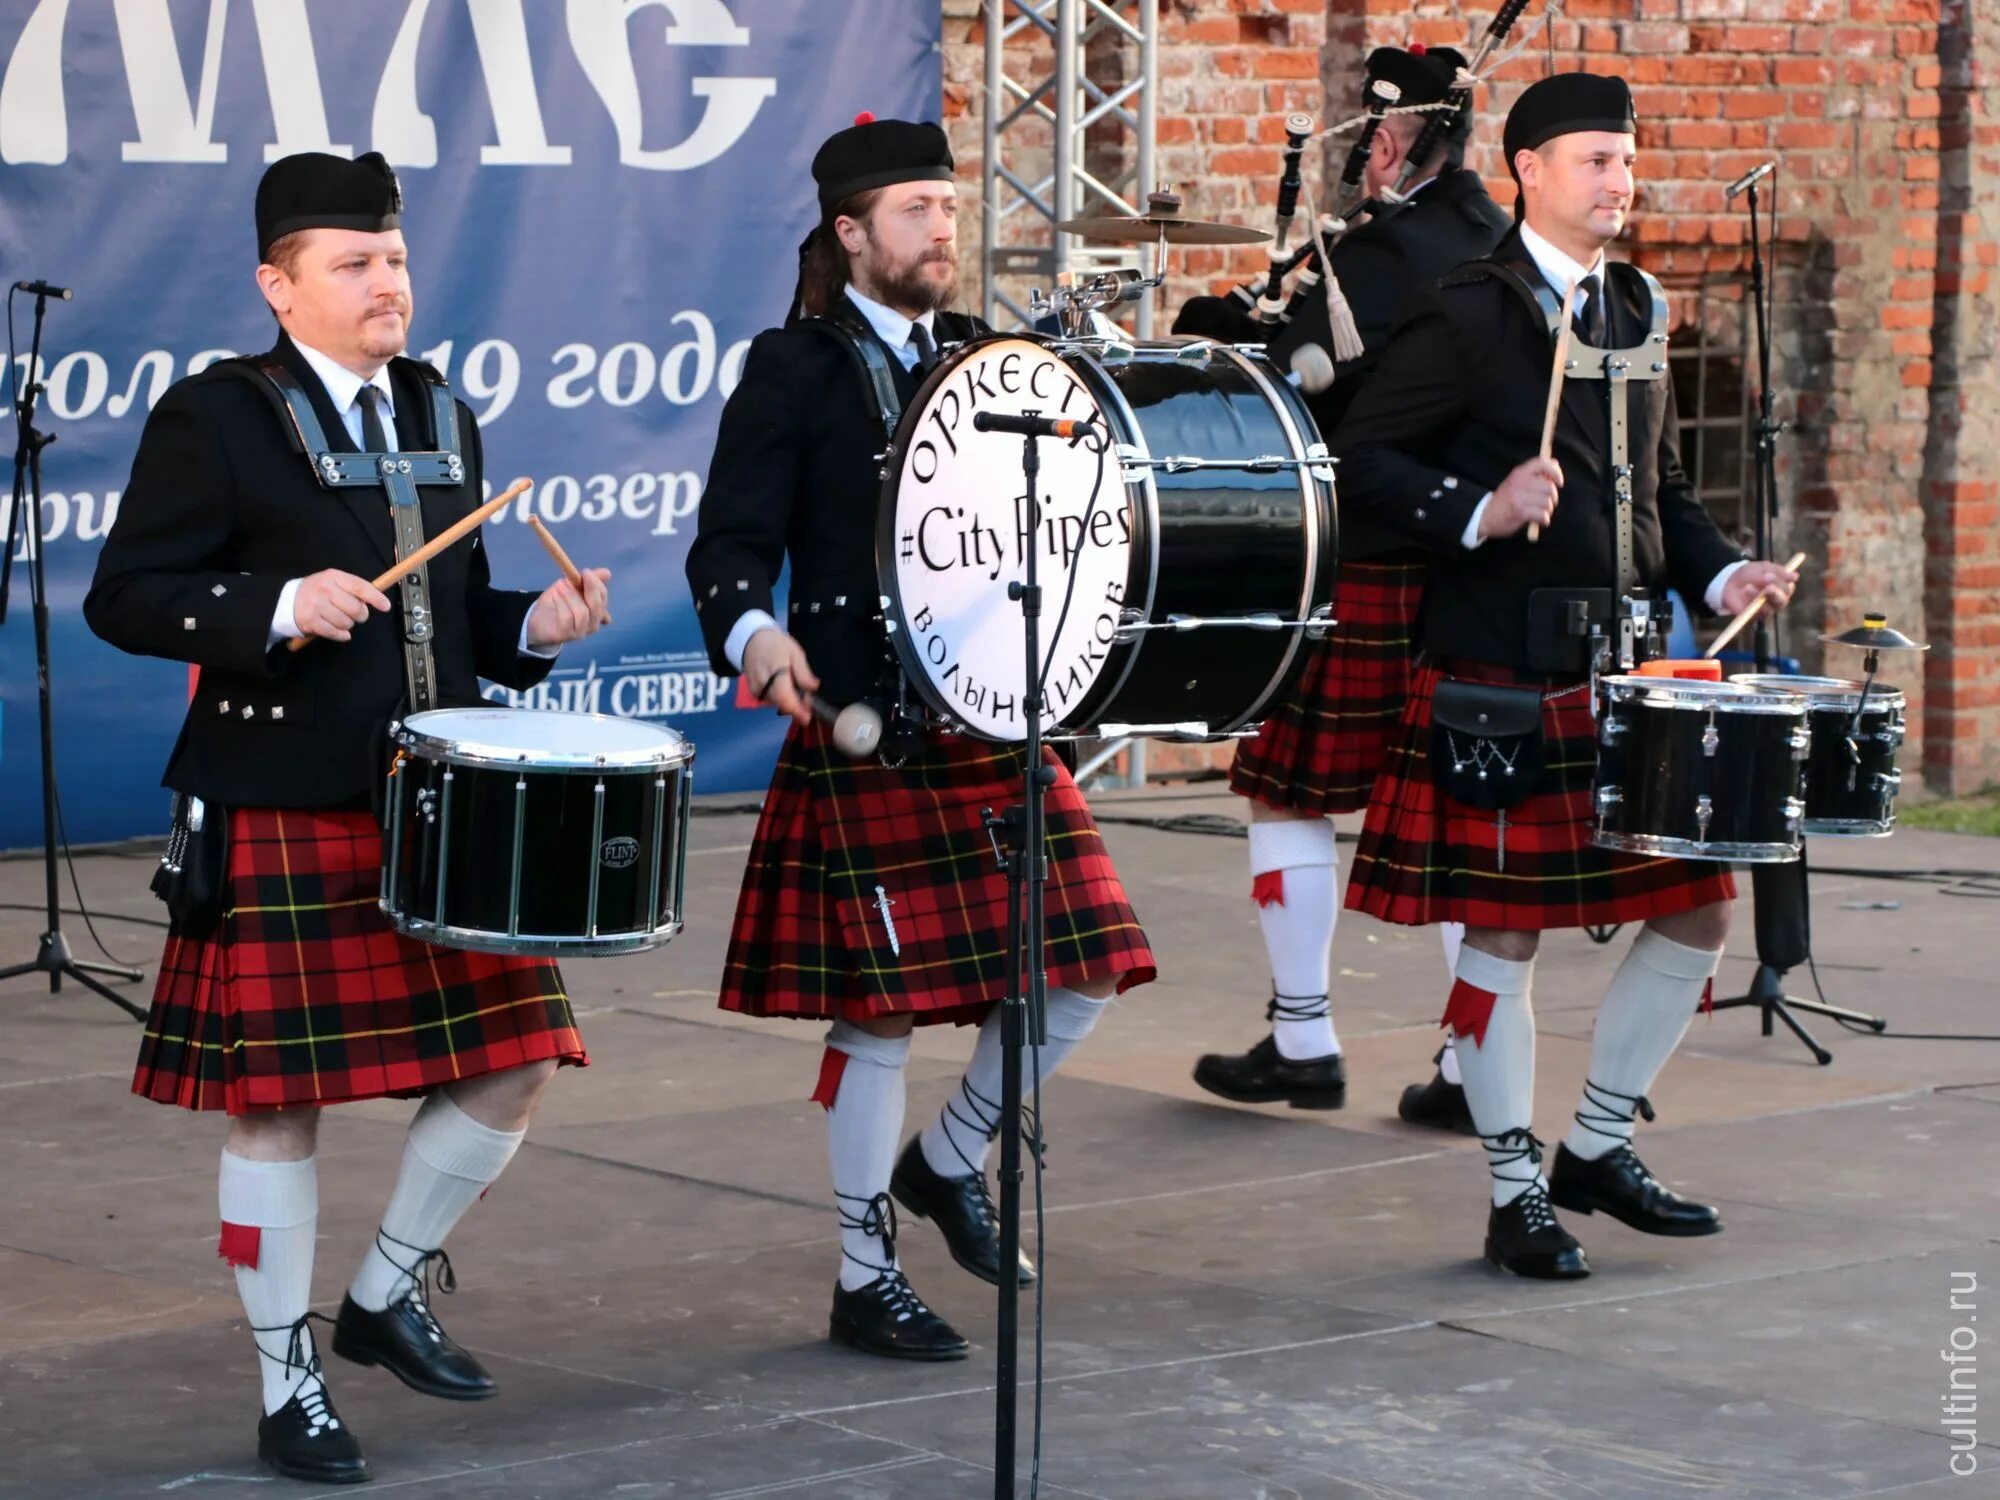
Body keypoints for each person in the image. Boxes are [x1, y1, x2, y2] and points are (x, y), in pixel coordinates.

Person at [85, 151, 611, 1484]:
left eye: (395, 261)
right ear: (280, 285)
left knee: (519, 1056)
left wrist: (533, 629)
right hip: (283, 799)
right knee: (276, 1112)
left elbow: (465, 611)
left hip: (439, 801)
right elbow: (128, 596)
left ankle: (380, 1295)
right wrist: (272, 609)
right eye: (353, 266)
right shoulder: (218, 416)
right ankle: (286, 1384)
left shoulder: (442, 406)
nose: (387, 286)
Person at [687, 115, 1155, 1360]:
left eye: (948, 207)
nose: (941, 228)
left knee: (1089, 967)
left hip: (993, 716)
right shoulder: (790, 369)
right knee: (881, 1016)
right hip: (869, 732)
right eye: (913, 211)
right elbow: (727, 546)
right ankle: (860, 1272)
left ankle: (947, 1162)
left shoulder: (987, 360)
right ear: (850, 234)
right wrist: (753, 640)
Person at [1332, 73, 1799, 1279]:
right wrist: (1477, 510)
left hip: (1629, 669)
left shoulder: (1632, 305)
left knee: (1699, 906)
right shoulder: (1467, 310)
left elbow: (1664, 496)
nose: (1618, 181)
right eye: (1594, 160)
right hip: (1500, 667)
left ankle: (1591, 1147)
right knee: (1501, 936)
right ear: (1529, 171)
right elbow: (1362, 460)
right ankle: (1508, 1190)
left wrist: (1722, 575)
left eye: (1625, 160)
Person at [1181, 47, 1509, 1125]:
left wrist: (1224, 332)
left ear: (1406, 138)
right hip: (1472, 568)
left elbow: (1304, 377)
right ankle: (1473, 1072)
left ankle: (1303, 1038)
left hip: (1365, 555)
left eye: (1376, 133)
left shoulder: (1378, 249)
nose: (1362, 151)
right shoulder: (1498, 239)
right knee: (1465, 818)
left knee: (1284, 792)